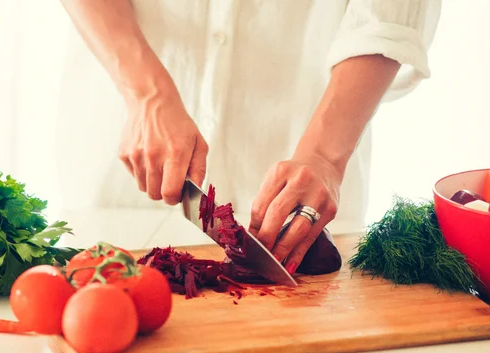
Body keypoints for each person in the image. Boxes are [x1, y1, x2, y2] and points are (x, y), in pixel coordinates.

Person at [56, 0, 441, 273]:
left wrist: (324, 156)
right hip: (126, 156)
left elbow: (386, 13)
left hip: (307, 178)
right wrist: (146, 93)